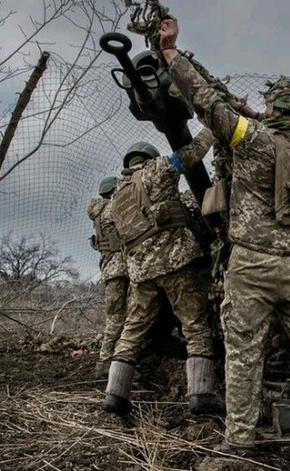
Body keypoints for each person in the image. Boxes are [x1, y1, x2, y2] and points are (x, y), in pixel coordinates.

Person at [157, 16, 290, 453]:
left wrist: (172, 52)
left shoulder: (252, 140)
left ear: (275, 110)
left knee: (244, 353)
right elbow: (269, 131)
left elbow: (205, 103)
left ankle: (239, 441)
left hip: (252, 265)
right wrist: (257, 115)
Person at [104, 139, 224, 417]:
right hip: (174, 264)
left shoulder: (116, 196)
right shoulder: (158, 169)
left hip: (140, 273)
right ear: (149, 157)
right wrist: (212, 125)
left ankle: (114, 394)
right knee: (195, 326)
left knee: (132, 330)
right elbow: (191, 153)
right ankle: (201, 394)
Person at [88, 176, 129, 379]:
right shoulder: (112, 209)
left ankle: (106, 361)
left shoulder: (97, 212)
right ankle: (107, 363)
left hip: (109, 270)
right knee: (118, 318)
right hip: (121, 269)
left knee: (115, 317)